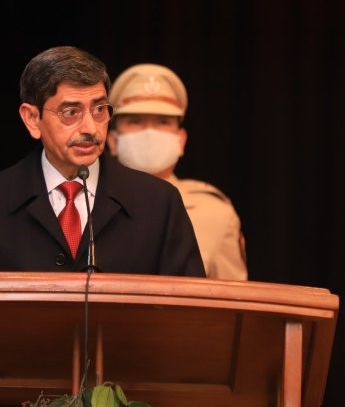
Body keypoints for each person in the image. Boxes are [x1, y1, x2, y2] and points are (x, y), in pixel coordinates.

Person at [0, 46, 206, 277]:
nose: (90, 127)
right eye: (70, 112)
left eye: (99, 109)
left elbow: (189, 314)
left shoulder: (159, 204)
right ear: (32, 119)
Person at [106, 63, 248, 280]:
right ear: (112, 141)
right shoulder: (88, 203)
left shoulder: (215, 214)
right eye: (135, 122)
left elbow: (234, 307)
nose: (149, 133)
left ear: (181, 140)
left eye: (163, 122)